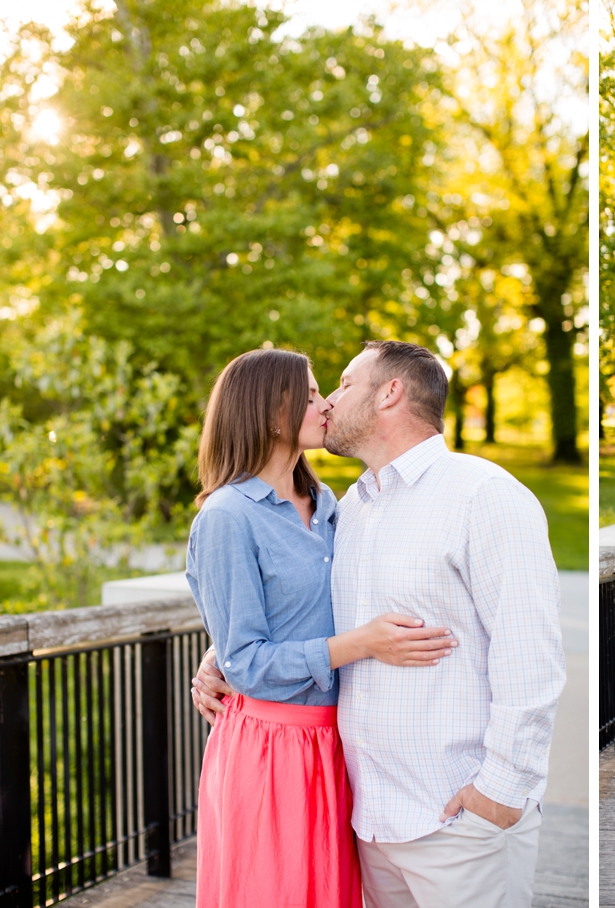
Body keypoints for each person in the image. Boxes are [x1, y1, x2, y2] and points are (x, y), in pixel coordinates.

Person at [196, 340, 566, 908]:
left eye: (341, 385)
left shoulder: (480, 495)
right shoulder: (354, 506)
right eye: (318, 392)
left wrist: (499, 791)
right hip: (364, 811)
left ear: (390, 392)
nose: (329, 403)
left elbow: (531, 655)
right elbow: (290, 612)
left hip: (456, 815)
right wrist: (222, 655)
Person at [187, 349, 457, 908]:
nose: (326, 403)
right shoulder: (226, 517)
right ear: (268, 412)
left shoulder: (333, 506)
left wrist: (218, 654)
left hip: (337, 743)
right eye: (309, 395)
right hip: (271, 747)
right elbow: (250, 663)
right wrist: (360, 644)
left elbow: (301, 614)